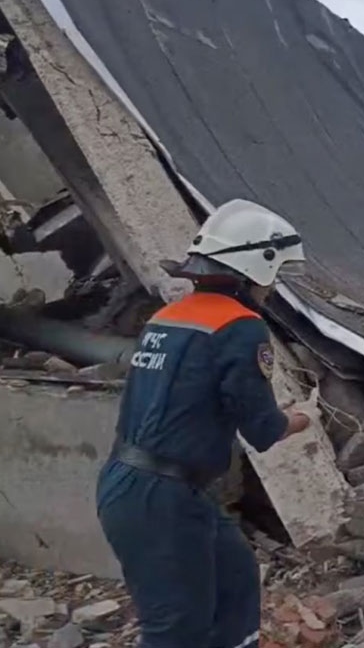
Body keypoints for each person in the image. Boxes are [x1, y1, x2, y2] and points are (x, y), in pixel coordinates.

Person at [96, 199, 314, 648]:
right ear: (256, 268)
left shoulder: (167, 317)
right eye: (274, 275)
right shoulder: (241, 326)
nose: (272, 288)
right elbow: (262, 429)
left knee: (236, 580)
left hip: (141, 485)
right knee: (177, 629)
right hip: (163, 495)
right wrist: (299, 418)